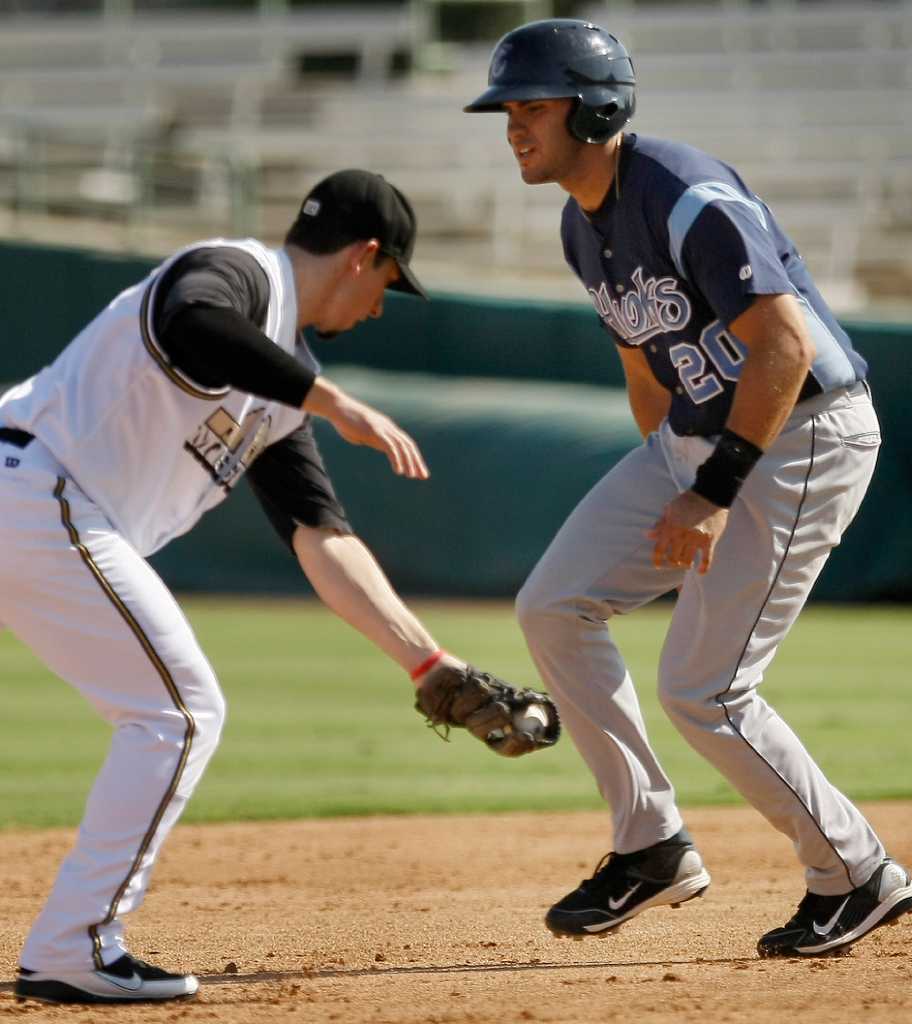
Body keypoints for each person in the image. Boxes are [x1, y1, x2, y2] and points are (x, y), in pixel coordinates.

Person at [0, 169, 545, 1005]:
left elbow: (320, 536)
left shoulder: (282, 374)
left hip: (37, 503)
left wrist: (425, 662)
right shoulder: (238, 271)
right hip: (40, 492)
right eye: (388, 285)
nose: (378, 308)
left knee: (170, 712)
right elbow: (191, 321)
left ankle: (76, 940)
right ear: (365, 257)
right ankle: (76, 944)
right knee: (178, 713)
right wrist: (330, 400)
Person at [465, 19, 912, 957]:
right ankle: (651, 846)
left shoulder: (684, 196)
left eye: (533, 107)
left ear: (595, 110)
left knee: (704, 687)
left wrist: (712, 493)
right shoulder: (579, 225)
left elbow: (785, 349)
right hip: (698, 439)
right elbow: (647, 372)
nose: (513, 126)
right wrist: (671, 479)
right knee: (554, 605)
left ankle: (856, 872)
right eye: (507, 109)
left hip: (802, 438)